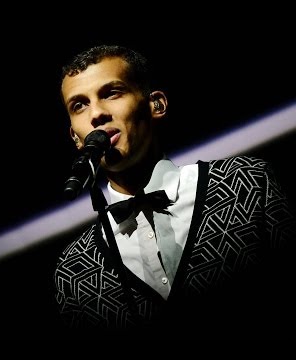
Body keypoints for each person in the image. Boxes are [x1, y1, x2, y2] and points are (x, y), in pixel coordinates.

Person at [53, 44, 296, 342]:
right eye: (79, 105)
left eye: (112, 93)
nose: (97, 114)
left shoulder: (245, 183)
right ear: (75, 137)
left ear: (156, 105)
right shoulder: (75, 269)